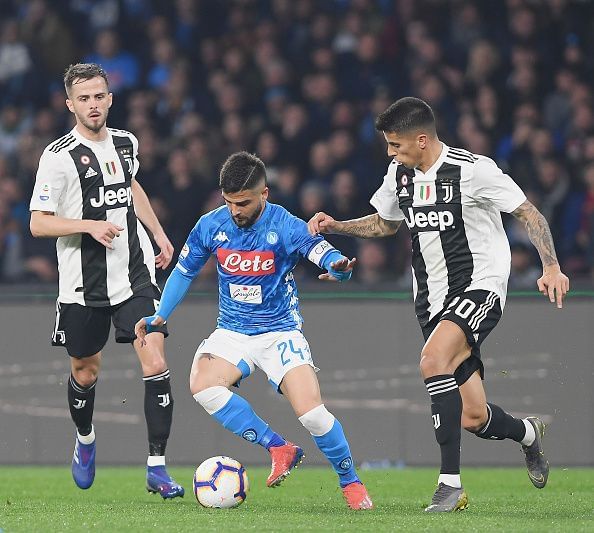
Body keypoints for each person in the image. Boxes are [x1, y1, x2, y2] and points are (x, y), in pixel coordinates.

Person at [307, 97, 570, 512]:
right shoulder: (400, 175)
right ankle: (528, 434)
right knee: (474, 417)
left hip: (480, 287)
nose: (391, 153)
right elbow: (385, 223)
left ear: (423, 140)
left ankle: (450, 486)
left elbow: (527, 212)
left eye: (396, 145)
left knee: (432, 360)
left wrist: (551, 266)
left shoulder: (473, 170)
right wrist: (337, 226)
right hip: (430, 300)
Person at [134, 151, 373, 510]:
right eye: (229, 202)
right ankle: (279, 447)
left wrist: (338, 268)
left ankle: (350, 482)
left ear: (265, 194)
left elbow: (323, 253)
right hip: (232, 330)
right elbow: (184, 272)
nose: (235, 210)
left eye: (243, 202)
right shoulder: (211, 225)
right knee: (201, 384)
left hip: (280, 332)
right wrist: (161, 315)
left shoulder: (286, 225)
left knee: (312, 414)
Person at [29, 63, 184, 499]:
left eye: (99, 96)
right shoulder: (57, 157)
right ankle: (85, 439)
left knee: (155, 362)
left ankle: (157, 466)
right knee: (85, 370)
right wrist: (89, 226)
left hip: (134, 274)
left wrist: (157, 232)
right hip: (82, 284)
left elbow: (130, 187)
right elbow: (38, 224)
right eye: (84, 99)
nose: (93, 105)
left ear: (110, 98)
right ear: (70, 104)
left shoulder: (126, 143)